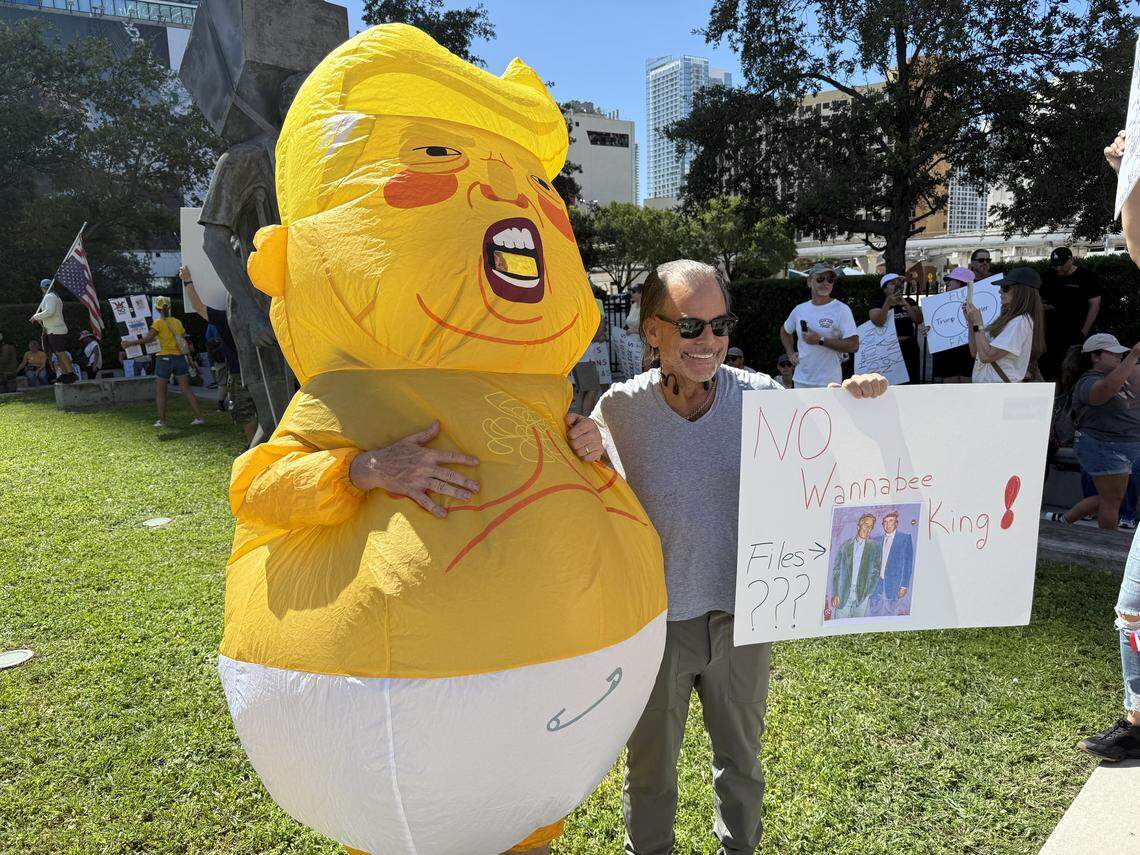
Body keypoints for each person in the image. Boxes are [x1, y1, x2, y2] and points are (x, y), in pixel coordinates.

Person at [565, 258, 888, 854]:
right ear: (651, 330)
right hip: (655, 625)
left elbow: (825, 455)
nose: (708, 341)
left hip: (744, 618)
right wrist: (582, 445)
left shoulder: (764, 399)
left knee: (741, 766)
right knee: (651, 772)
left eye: (719, 326)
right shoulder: (618, 410)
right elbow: (589, 502)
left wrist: (856, 403)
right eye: (690, 327)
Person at [1070, 136, 1140, 762]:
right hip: (1111, 450)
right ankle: (1139, 722)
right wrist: (1130, 176)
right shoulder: (1103, 374)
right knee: (1135, 608)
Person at [1044, 334, 1140, 531]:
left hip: (1124, 446)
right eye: (1112, 352)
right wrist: (1133, 356)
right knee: (1112, 500)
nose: (1119, 356)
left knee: (1109, 497)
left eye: (1120, 352)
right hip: (1103, 447)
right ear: (1094, 357)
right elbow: (1104, 391)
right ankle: (1108, 544)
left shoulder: (1120, 374)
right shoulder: (1088, 381)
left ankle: (1064, 520)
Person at [181, 266, 256, 443]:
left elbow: (198, 307)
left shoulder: (226, 318)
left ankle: (253, 447)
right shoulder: (260, 315)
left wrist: (188, 280)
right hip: (263, 371)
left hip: (239, 374)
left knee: (247, 415)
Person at [123, 295, 206, 428]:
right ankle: (199, 417)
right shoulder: (177, 322)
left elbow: (148, 339)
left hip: (164, 359)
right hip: (179, 358)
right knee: (187, 390)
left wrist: (130, 343)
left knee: (160, 392)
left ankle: (162, 420)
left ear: (157, 308)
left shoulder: (158, 323)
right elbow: (183, 338)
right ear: (169, 307)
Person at [780, 263, 859, 388]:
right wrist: (790, 353)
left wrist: (820, 340)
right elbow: (785, 331)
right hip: (801, 380)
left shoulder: (842, 310)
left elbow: (854, 345)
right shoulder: (799, 310)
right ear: (809, 282)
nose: (825, 283)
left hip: (829, 382)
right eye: (820, 279)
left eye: (830, 279)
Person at [965, 266, 1045, 384]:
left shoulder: (1020, 321)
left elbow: (986, 357)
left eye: (1005, 288)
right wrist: (972, 323)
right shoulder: (1008, 318)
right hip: (989, 389)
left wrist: (978, 323)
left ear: (1021, 291)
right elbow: (976, 352)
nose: (1000, 291)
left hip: (998, 391)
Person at [1040, 247, 1102, 383]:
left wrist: (1084, 332)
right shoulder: (1048, 276)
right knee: (1052, 370)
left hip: (1077, 333)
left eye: (1062, 264)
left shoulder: (1086, 276)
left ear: (1072, 260)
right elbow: (1039, 300)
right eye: (1055, 265)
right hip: (1052, 333)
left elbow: (1095, 304)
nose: (1058, 268)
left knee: (1072, 370)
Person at [869, 272, 923, 384]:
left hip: (909, 347)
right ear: (884, 289)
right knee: (891, 382)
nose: (898, 286)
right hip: (889, 348)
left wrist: (905, 304)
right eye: (893, 284)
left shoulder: (910, 301)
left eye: (900, 283)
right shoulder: (878, 303)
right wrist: (888, 303)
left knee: (912, 381)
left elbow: (918, 319)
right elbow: (878, 322)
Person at [826, 513, 882, 620]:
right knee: (839, 624)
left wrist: (867, 592)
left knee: (857, 626)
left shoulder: (875, 548)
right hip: (843, 594)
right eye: (866, 525)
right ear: (858, 526)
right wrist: (835, 593)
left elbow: (876, 572)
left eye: (871, 527)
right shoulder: (845, 546)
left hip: (861, 595)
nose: (868, 529)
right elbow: (836, 572)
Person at [930, 267, 976, 383]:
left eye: (952, 280)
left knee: (967, 388)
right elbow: (936, 325)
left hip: (968, 348)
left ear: (962, 282)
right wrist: (929, 329)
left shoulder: (977, 300)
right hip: (948, 350)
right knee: (950, 390)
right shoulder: (939, 303)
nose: (948, 283)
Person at [30, 278, 77, 383]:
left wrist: (36, 316)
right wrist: (41, 319)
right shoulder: (55, 296)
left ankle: (71, 373)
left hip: (55, 330)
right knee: (58, 353)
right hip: (54, 329)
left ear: (42, 288)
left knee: (60, 352)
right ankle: (65, 374)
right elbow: (51, 314)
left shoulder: (49, 296)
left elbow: (49, 311)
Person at [873, 511, 914, 615]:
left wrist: (904, 586)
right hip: (876, 586)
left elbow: (908, 564)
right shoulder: (876, 540)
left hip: (894, 586)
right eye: (885, 522)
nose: (888, 524)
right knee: (874, 614)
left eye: (891, 521)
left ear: (896, 523)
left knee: (890, 615)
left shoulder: (905, 539)